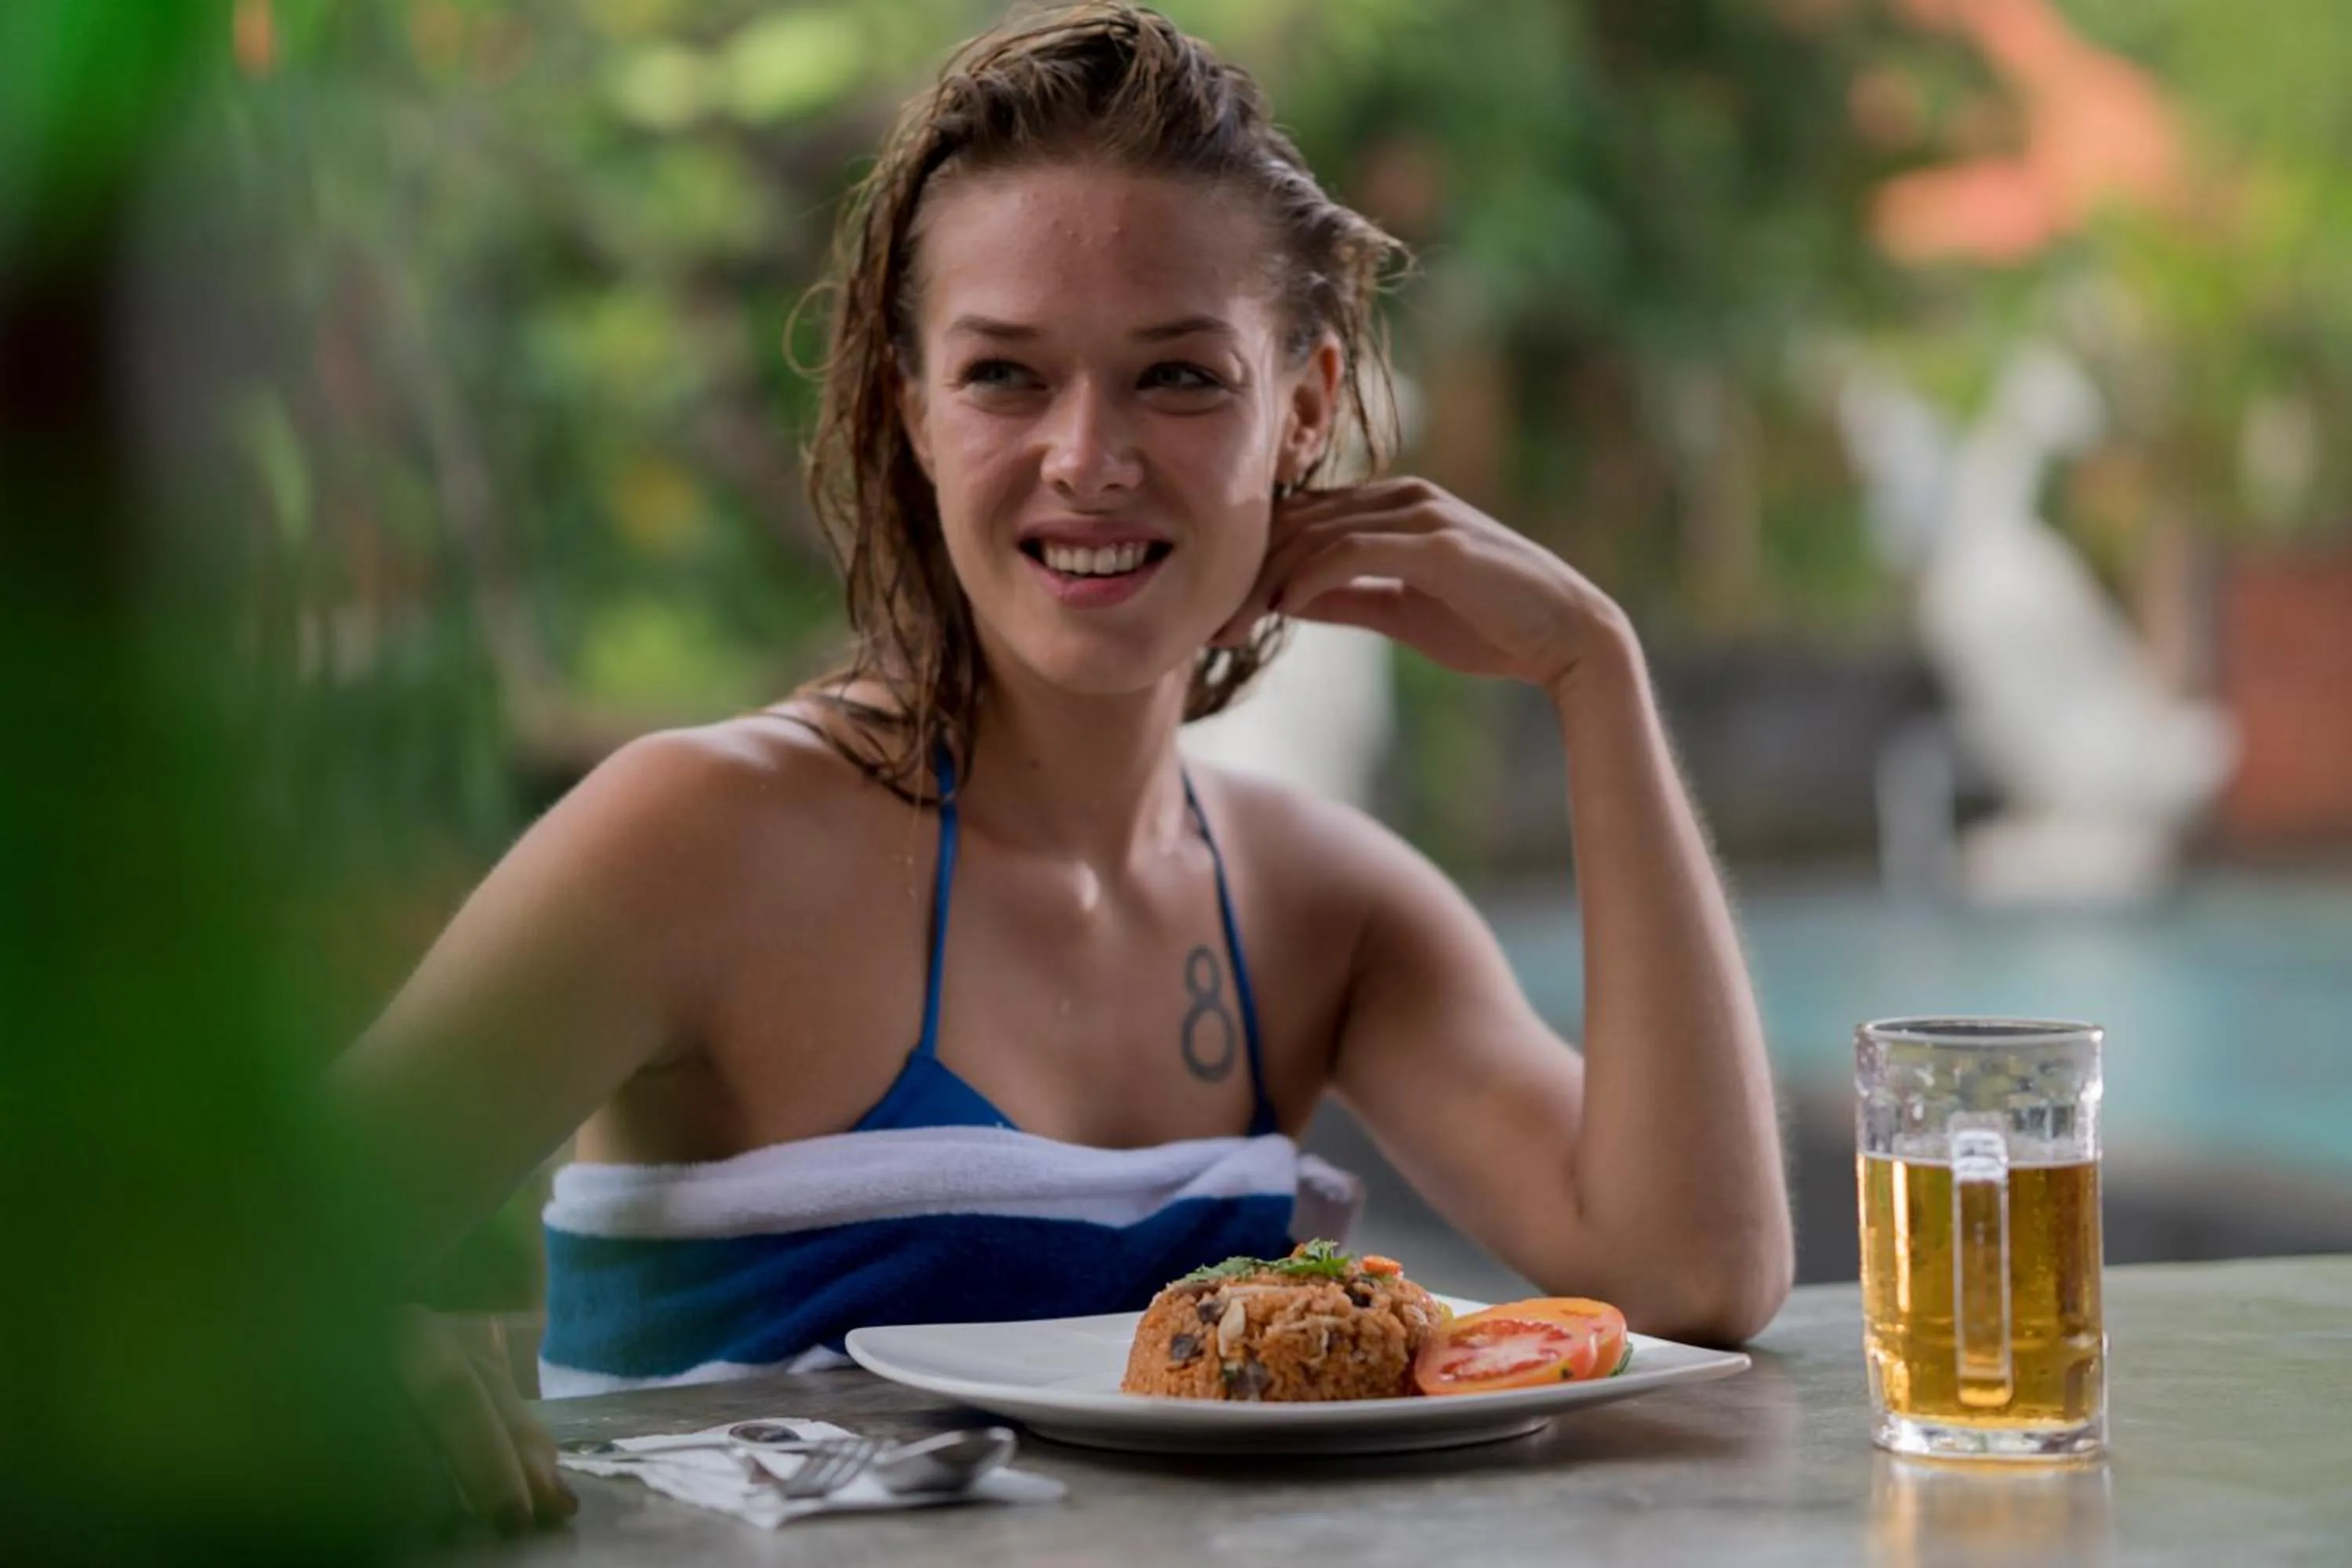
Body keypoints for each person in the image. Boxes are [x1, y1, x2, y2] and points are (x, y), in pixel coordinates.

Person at [330, 1, 1791, 1533]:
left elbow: (1690, 1275)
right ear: (912, 409)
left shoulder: (1323, 903)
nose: (1088, 455)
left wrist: (1594, 674)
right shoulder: (703, 836)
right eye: (1006, 376)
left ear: (1300, 405)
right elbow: (221, 1286)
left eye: (1177, 377)